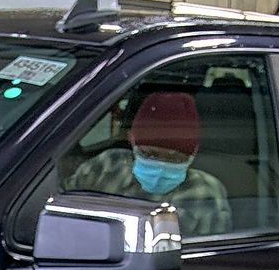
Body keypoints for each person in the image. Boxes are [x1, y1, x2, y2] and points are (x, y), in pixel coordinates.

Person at [64, 91, 231, 236]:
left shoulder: (205, 193)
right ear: (131, 140)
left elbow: (210, 258)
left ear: (193, 153)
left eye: (175, 158)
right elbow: (61, 209)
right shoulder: (106, 167)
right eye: (150, 154)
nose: (161, 166)